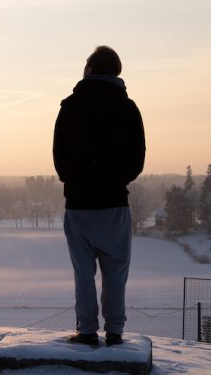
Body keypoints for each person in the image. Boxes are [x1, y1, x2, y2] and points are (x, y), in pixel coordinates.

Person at [53, 46, 145, 346]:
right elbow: (137, 159)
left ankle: (87, 330)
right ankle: (115, 332)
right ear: (116, 72)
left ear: (89, 69)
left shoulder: (70, 107)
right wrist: (116, 179)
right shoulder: (128, 108)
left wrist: (77, 179)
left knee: (83, 272)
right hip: (114, 203)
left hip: (79, 204)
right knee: (116, 271)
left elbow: (60, 159)